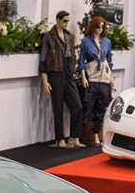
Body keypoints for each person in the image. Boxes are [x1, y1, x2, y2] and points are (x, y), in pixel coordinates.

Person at [39, 10, 84, 149]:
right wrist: (45, 80)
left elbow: (72, 56)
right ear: (58, 20)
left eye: (67, 21)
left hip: (68, 73)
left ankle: (74, 137)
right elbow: (43, 60)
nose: (66, 24)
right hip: (55, 73)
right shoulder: (48, 37)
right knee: (57, 107)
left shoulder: (70, 37)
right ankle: (60, 138)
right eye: (64, 21)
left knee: (77, 106)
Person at [78, 16, 113, 146]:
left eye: (102, 27)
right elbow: (81, 60)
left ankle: (96, 135)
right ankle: (77, 134)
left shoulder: (106, 42)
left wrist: (111, 77)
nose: (100, 29)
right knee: (87, 105)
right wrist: (83, 77)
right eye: (98, 26)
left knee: (101, 107)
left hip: (104, 77)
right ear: (93, 27)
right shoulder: (86, 42)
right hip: (92, 76)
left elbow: (109, 61)